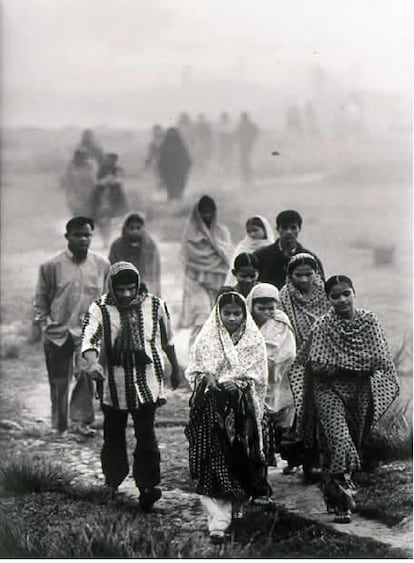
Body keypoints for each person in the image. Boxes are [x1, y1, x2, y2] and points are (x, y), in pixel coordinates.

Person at [288, 275, 399, 523]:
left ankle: (332, 492)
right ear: (327, 299)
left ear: (354, 293)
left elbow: (379, 360)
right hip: (327, 390)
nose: (342, 300)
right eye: (335, 296)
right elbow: (316, 364)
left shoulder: (369, 322)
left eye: (346, 293)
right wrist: (354, 365)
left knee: (347, 443)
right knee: (339, 441)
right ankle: (343, 502)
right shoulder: (323, 326)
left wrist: (345, 364)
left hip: (359, 391)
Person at [81, 261, 181, 510]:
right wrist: (93, 364)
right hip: (112, 383)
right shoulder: (99, 308)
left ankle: (148, 486)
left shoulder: (155, 305)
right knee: (113, 435)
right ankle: (112, 482)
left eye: (130, 289)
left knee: (146, 433)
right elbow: (89, 338)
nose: (126, 295)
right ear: (111, 287)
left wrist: (176, 369)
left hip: (146, 380)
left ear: (138, 285)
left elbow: (168, 340)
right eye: (120, 290)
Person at [184, 290, 272, 544]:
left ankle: (235, 506)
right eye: (227, 313)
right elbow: (196, 368)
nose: (232, 318)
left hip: (241, 410)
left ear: (244, 314)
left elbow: (258, 374)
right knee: (212, 460)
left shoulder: (253, 340)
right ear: (218, 314)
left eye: (237, 313)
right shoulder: (207, 337)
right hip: (211, 408)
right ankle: (218, 521)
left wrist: (242, 384)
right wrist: (207, 378)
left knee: (240, 458)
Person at [33, 217, 110, 435]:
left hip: (88, 332)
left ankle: (81, 422)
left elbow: (106, 298)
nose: (83, 239)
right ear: (67, 237)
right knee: (58, 380)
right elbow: (40, 299)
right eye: (78, 235)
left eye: (87, 235)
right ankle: (59, 425)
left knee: (86, 373)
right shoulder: (51, 266)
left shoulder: (102, 264)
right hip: (57, 331)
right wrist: (45, 324)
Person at [180, 195, 233, 348]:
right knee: (201, 318)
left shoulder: (222, 232)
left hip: (218, 280)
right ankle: (194, 357)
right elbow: (188, 257)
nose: (207, 216)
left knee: (220, 319)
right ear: (198, 213)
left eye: (210, 212)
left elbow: (228, 254)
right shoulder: (190, 233)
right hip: (195, 281)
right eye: (204, 212)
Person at [246, 284, 296, 426]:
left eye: (271, 308)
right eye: (261, 309)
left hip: (278, 377)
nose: (266, 312)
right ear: (251, 306)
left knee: (278, 416)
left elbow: (289, 352)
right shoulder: (246, 324)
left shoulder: (281, 323)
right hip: (253, 377)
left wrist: (269, 359)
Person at [253, 210, 324, 290]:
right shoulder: (260, 257)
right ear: (277, 229)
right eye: (284, 228)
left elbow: (320, 289)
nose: (289, 232)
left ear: (299, 229)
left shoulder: (310, 259)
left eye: (293, 228)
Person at [279, 253, 330, 352]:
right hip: (294, 351)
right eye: (298, 275)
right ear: (290, 275)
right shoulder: (284, 296)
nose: (304, 280)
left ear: (316, 273)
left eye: (308, 274)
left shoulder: (326, 293)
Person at [109, 213, 161, 296]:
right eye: (131, 228)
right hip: (123, 287)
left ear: (143, 229)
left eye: (138, 228)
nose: (135, 231)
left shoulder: (150, 245)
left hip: (145, 286)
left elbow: (152, 273)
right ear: (125, 229)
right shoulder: (117, 246)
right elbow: (114, 269)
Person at [90, 153, 129, 246]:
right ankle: (105, 239)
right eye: (108, 159)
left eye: (111, 159)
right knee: (101, 217)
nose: (109, 161)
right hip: (101, 194)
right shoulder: (101, 170)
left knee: (112, 218)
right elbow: (96, 181)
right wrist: (104, 182)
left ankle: (109, 239)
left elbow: (121, 179)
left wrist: (113, 180)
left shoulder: (118, 169)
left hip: (114, 195)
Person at [225, 215, 273, 286]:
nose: (252, 234)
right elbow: (234, 270)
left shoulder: (272, 247)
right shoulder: (243, 246)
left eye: (255, 230)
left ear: (265, 230)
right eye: (249, 231)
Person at [158, 128, 192, 200]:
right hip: (174, 175)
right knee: (175, 193)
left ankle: (174, 206)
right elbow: (188, 161)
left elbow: (188, 161)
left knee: (174, 194)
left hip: (175, 175)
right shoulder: (181, 147)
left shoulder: (165, 147)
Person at [60, 149, 97, 216]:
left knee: (89, 211)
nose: (81, 160)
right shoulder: (70, 167)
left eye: (83, 158)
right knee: (77, 210)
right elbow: (65, 180)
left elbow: (93, 179)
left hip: (88, 192)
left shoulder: (89, 166)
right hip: (75, 194)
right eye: (80, 158)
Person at [235, 112, 259, 182]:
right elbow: (256, 132)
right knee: (247, 157)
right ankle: (248, 171)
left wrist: (238, 141)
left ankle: (246, 172)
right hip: (249, 144)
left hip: (242, 144)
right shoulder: (250, 124)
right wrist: (253, 139)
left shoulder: (240, 125)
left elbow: (237, 134)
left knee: (244, 158)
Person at [144, 124, 165, 191]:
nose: (157, 135)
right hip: (159, 164)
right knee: (159, 178)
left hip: (167, 163)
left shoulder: (167, 141)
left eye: (158, 133)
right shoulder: (152, 144)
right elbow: (150, 155)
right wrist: (147, 164)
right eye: (155, 133)